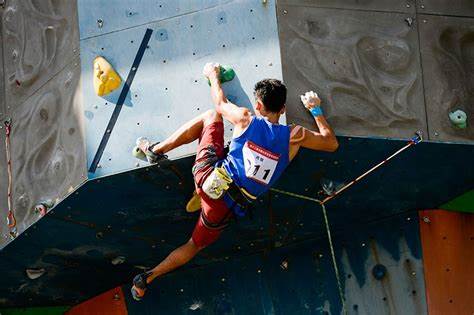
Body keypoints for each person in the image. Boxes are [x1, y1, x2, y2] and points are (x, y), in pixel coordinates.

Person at [131, 62, 338, 300]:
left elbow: (219, 104)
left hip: (208, 177)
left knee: (211, 116)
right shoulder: (294, 135)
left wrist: (213, 75)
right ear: (282, 109)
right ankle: (147, 278)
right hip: (226, 206)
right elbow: (330, 143)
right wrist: (315, 110)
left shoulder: (245, 118)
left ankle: (156, 150)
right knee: (193, 245)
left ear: (258, 105)